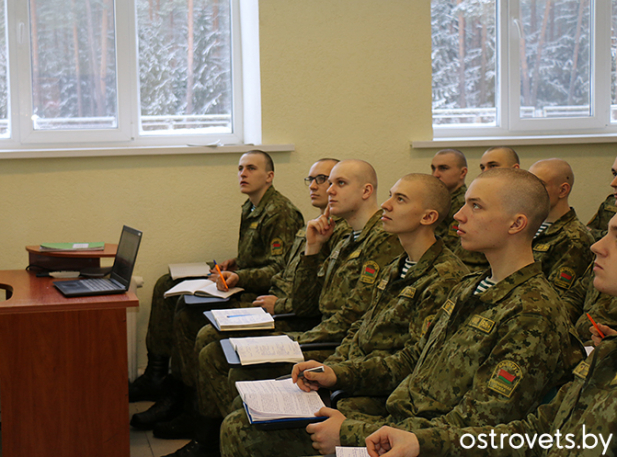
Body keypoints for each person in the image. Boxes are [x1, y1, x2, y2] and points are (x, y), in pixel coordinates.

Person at [223, 168, 582, 455]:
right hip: (398, 421)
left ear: (516, 224)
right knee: (247, 419)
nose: (458, 215)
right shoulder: (471, 286)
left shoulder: (531, 313)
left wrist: (351, 431)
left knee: (244, 432)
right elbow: (412, 358)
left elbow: (479, 424)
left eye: (476, 206)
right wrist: (336, 373)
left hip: (421, 443)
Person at [217, 173, 468, 457]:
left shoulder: (445, 277)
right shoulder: (398, 265)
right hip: (353, 371)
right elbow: (360, 327)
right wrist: (331, 368)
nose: (385, 205)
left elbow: (411, 362)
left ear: (428, 217)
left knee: (240, 426)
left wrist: (339, 374)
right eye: (390, 195)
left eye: (400, 199)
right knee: (245, 404)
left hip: (377, 391)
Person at [365, 213, 617, 457]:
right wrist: (421, 443)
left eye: (476, 206)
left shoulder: (532, 312)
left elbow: (479, 417)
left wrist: (357, 431)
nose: (596, 246)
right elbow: (537, 434)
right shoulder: (607, 352)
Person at [193, 160, 401, 455]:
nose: (329, 190)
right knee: (220, 351)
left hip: (335, 345)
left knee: (232, 368)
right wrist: (313, 249)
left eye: (339, 183)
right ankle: (215, 441)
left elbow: (352, 318)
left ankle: (219, 443)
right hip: (324, 336)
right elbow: (306, 302)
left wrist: (292, 341)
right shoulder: (343, 238)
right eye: (329, 183)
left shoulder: (382, 241)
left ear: (366, 191)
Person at [142, 159, 340, 439]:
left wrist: (245, 279)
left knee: (196, 323)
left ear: (269, 176)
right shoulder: (300, 223)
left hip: (284, 311)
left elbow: (303, 291)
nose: (319, 186)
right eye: (312, 179)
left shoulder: (287, 215)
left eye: (326, 180)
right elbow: (284, 271)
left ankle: (202, 419)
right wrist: (238, 265)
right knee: (173, 291)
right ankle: (174, 392)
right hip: (276, 300)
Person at [129, 150, 304, 416]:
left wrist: (240, 276)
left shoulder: (280, 212)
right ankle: (157, 376)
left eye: (251, 168)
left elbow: (280, 268)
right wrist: (236, 263)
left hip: (259, 294)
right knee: (166, 284)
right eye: (240, 168)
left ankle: (186, 399)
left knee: (187, 313)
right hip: (243, 281)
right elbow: (261, 256)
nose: (243, 174)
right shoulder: (251, 206)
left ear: (269, 176)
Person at [526, 159, 594, 293]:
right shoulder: (526, 225)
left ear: (562, 190)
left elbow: (556, 296)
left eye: (539, 185)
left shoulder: (574, 239)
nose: (529, 191)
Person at [430, 149, 487, 273]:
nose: (435, 174)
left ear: (462, 173)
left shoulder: (465, 205)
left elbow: (452, 249)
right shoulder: (438, 202)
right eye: (433, 168)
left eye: (443, 168)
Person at [586, 154, 617, 241]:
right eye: (615, 174)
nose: (613, 183)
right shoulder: (611, 202)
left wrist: (595, 233)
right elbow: (587, 232)